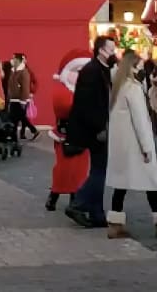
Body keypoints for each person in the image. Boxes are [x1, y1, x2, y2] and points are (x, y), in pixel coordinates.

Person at [104, 50, 157, 240]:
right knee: (151, 182)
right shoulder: (132, 88)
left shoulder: (117, 87)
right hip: (137, 146)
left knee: (121, 185)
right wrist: (147, 147)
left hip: (122, 146)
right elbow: (140, 120)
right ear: (133, 66)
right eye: (139, 66)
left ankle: (116, 223)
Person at [65, 35, 117, 230]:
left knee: (99, 169)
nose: (114, 52)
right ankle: (79, 203)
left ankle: (96, 213)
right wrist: (100, 126)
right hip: (94, 130)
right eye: (111, 49)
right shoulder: (92, 71)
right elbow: (86, 103)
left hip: (99, 128)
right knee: (100, 171)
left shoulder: (103, 70)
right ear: (101, 50)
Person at [47, 51, 92, 212]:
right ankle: (54, 195)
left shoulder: (83, 90)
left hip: (82, 134)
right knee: (63, 168)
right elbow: (65, 108)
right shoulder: (63, 91)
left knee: (79, 170)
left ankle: (74, 197)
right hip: (66, 135)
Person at [6, 53, 39, 142]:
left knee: (16, 118)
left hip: (20, 100)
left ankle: (17, 136)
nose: (12, 60)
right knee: (18, 118)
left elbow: (25, 86)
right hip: (14, 99)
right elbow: (11, 85)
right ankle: (19, 135)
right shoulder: (13, 70)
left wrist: (24, 100)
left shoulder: (24, 71)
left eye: (14, 58)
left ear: (19, 60)